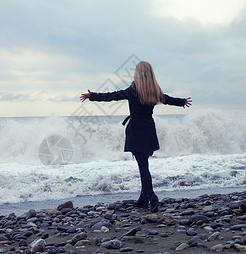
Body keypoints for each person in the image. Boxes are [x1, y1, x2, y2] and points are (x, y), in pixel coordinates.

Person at [80, 61, 192, 212]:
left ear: (137, 74)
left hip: (137, 132)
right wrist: (182, 102)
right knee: (144, 164)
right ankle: (143, 199)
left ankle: (152, 196)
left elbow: (113, 96)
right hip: (149, 131)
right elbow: (168, 100)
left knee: (143, 166)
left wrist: (92, 96)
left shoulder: (133, 90)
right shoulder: (154, 90)